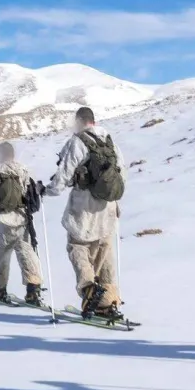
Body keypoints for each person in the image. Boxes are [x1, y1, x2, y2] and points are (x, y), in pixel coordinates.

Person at [45, 107, 124, 321]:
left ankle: (89, 290)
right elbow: (120, 172)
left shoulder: (78, 142)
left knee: (78, 247)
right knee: (105, 253)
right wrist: (116, 204)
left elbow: (63, 176)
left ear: (80, 121)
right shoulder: (109, 142)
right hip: (107, 207)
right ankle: (108, 303)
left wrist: (47, 190)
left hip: (84, 207)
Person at [0, 142, 44, 304]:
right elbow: (31, 192)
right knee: (26, 252)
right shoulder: (23, 169)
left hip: (2, 219)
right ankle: (33, 288)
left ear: (0, 154)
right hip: (22, 218)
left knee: (1, 255)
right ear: (13, 154)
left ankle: (0, 290)